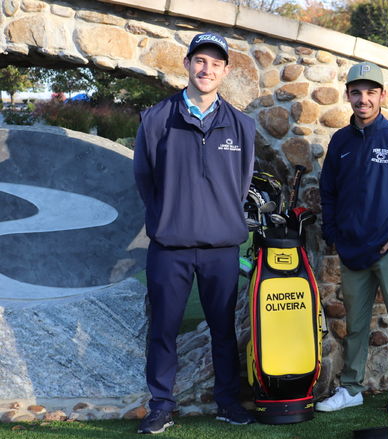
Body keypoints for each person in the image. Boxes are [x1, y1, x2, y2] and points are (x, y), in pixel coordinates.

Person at [133, 32, 256, 434]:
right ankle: (161, 405)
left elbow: (240, 184)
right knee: (163, 330)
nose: (207, 69)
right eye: (200, 61)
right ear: (187, 64)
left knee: (222, 330)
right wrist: (172, 217)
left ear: (225, 71)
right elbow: (145, 179)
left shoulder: (241, 125)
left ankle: (227, 403)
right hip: (170, 248)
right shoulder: (156, 119)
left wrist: (215, 217)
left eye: (215, 63)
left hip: (221, 248)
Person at [316, 61, 388, 415]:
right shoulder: (340, 142)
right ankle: (351, 388)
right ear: (348, 95)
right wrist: (335, 235)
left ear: (382, 95)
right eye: (356, 92)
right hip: (353, 251)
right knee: (355, 325)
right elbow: (329, 194)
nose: (363, 99)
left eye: (370, 92)